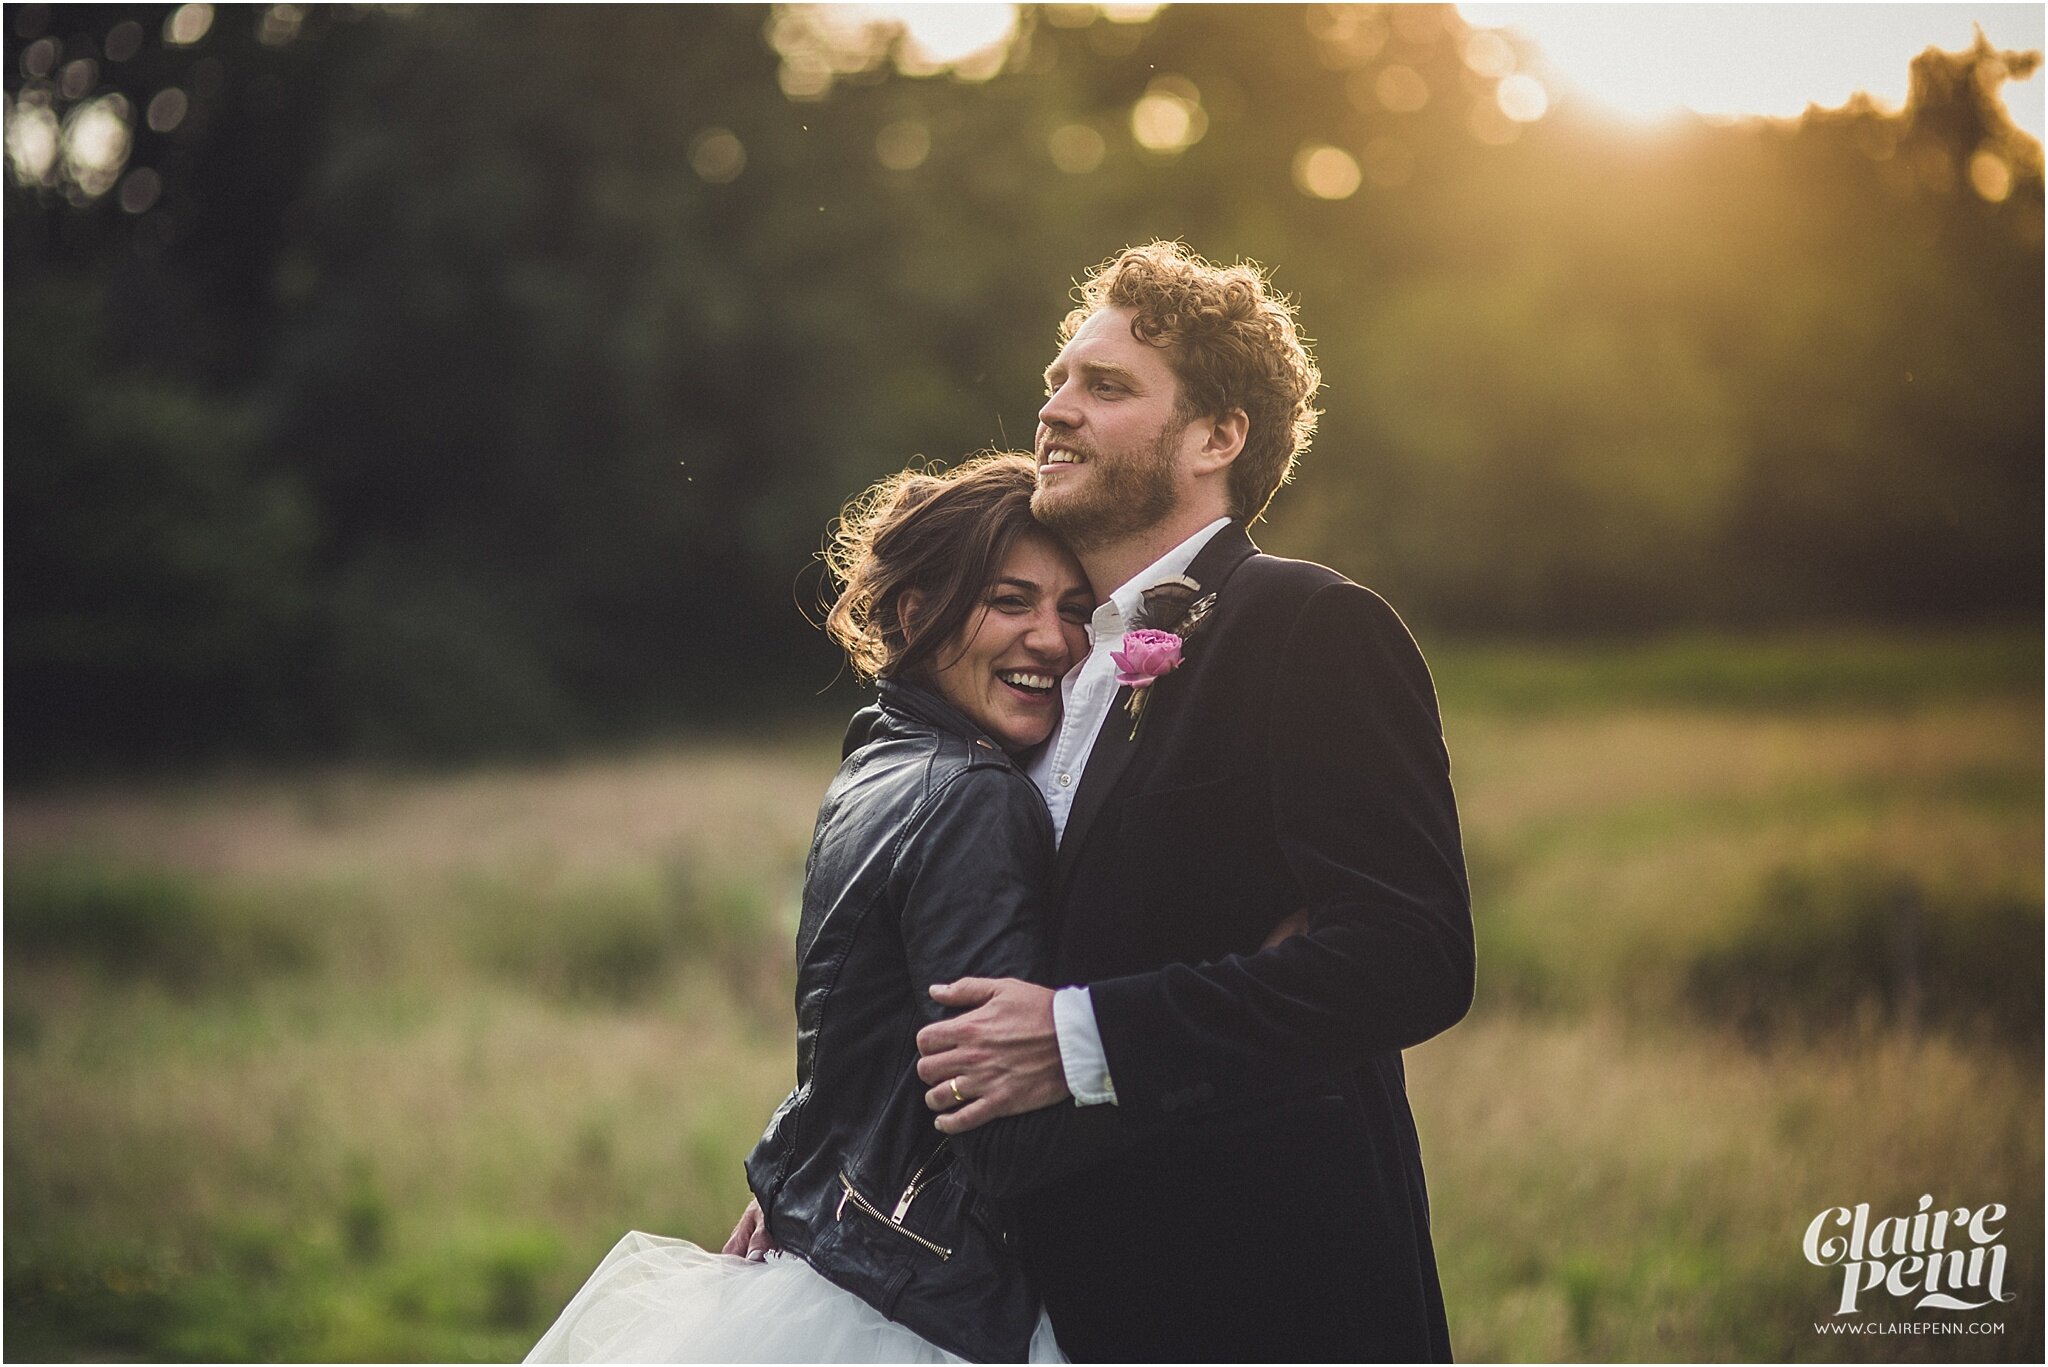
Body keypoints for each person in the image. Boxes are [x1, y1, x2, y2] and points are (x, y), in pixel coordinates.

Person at [912, 243, 1476, 1362]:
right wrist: (833, 1166)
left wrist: (1082, 1033)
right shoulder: (1039, 653)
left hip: (1261, 1285)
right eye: (1057, 379)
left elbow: (1411, 953)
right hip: (1052, 1290)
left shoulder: (1306, 625)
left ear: (1218, 436)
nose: (1053, 408)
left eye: (1105, 386)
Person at [526, 453, 1148, 1364]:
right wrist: (1186, 1054)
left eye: (1071, 610)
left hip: (842, 1263)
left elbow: (860, 1033)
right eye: (1010, 601)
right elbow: (1001, 1134)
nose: (1052, 641)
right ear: (917, 613)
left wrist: (801, 1169)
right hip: (927, 1307)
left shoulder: (877, 758)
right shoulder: (976, 797)